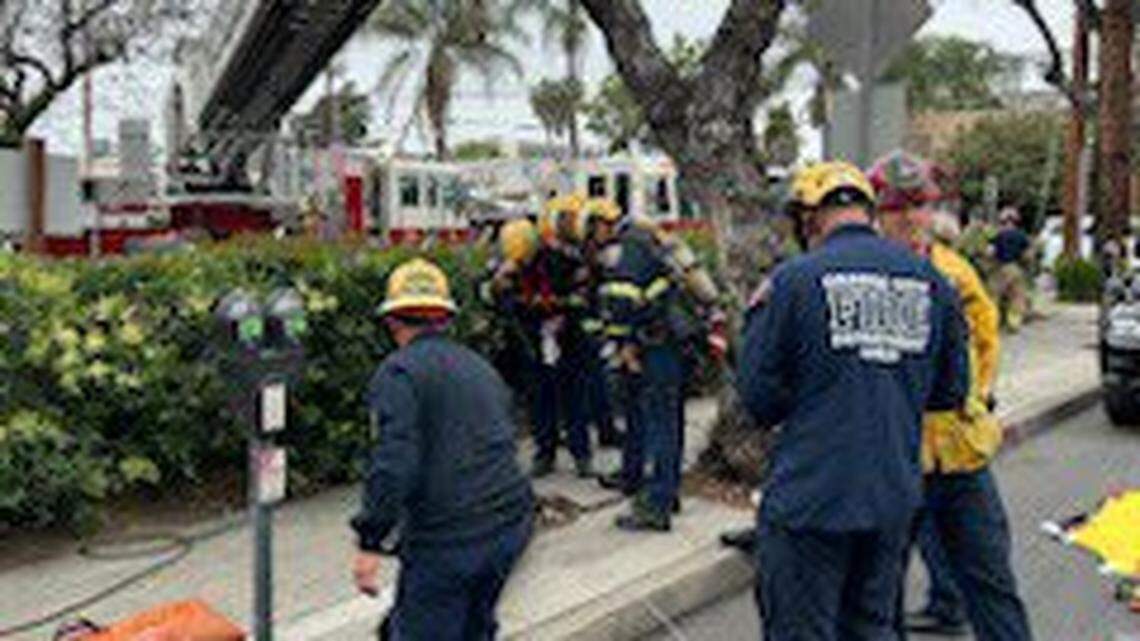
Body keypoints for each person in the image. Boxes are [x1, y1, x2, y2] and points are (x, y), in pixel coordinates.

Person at [739, 160, 970, 639]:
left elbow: (759, 400)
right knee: (871, 629)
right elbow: (951, 391)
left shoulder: (793, 281)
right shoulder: (931, 282)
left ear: (810, 218)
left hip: (810, 499)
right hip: (891, 497)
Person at [869, 151, 1034, 641]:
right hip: (895, 458)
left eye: (919, 205)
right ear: (877, 213)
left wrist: (978, 394)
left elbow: (986, 336)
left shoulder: (955, 272)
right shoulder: (866, 278)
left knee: (992, 583)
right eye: (898, 207)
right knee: (879, 597)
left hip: (961, 456)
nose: (911, 218)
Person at [350, 258, 535, 640]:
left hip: (449, 540)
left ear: (392, 322)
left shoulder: (399, 373)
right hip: (508, 524)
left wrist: (371, 541)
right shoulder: (478, 366)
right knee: (473, 628)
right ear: (446, 320)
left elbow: (393, 463)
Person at [581, 198, 690, 531]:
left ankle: (656, 506)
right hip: (665, 342)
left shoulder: (628, 251)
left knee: (660, 422)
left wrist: (624, 346)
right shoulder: (645, 243)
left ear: (602, 225)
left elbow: (624, 299)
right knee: (659, 419)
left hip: (654, 347)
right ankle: (661, 490)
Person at [483, 206, 595, 479]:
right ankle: (545, 452)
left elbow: (584, 297)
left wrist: (557, 305)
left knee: (574, 396)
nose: (522, 265)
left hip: (566, 337)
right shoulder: (506, 266)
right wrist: (500, 285)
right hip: (530, 340)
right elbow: (490, 298)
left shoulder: (563, 260)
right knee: (539, 398)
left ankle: (581, 454)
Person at [990, 207, 1032, 332]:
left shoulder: (997, 235)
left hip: (1001, 268)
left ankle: (993, 321)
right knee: (1017, 297)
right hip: (1016, 268)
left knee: (995, 296)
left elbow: (990, 252)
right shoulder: (1022, 236)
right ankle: (1013, 323)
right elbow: (1028, 255)